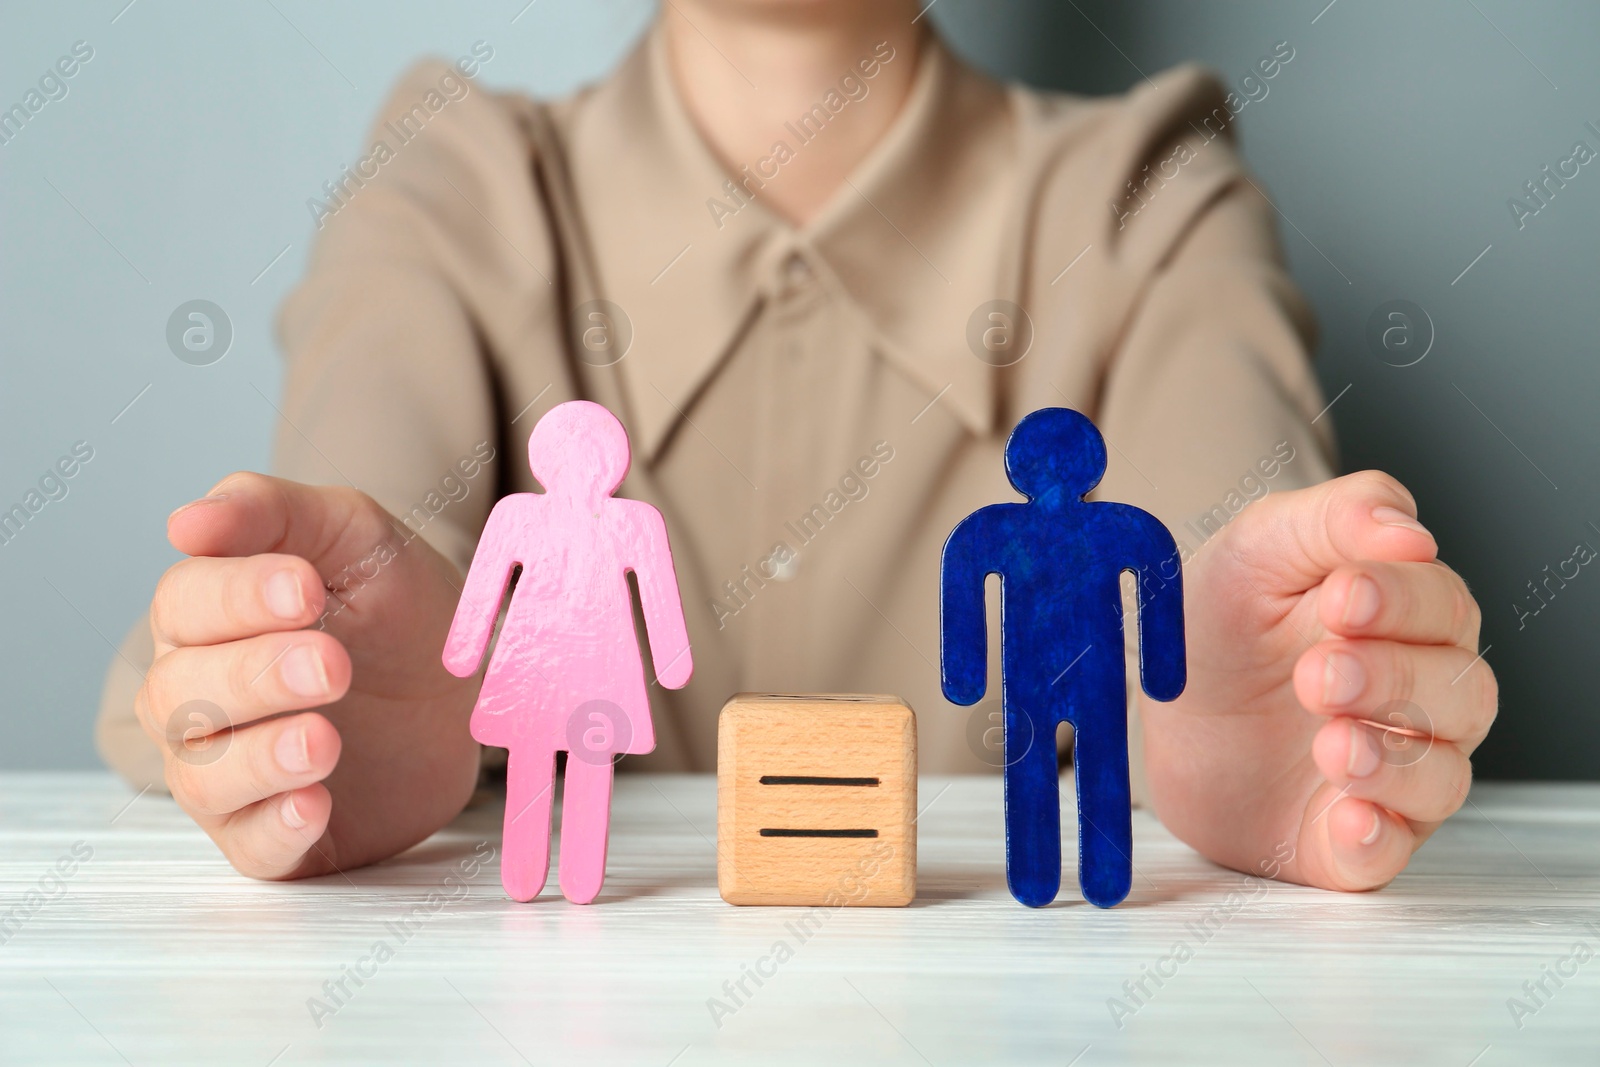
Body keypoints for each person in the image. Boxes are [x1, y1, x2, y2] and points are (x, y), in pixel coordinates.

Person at [96, 0, 1496, 895]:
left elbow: (1223, 566)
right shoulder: (445, 195)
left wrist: (1256, 687)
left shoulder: (1149, 206)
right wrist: (310, 676)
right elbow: (371, 544)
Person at [442, 400, 693, 903]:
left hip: (589, 662)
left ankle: (575, 878)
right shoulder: (517, 514)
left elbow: (658, 594)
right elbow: (482, 590)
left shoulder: (635, 522)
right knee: (544, 757)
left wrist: (672, 661)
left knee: (582, 757)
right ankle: (529, 873)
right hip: (538, 663)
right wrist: (463, 648)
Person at [942, 407, 1186, 908]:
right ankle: (1100, 876)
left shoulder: (994, 528)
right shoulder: (1122, 526)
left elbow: (961, 580)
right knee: (1100, 765)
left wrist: (968, 676)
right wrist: (1162, 670)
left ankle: (1046, 877)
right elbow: (1160, 573)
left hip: (1038, 678)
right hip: (1086, 677)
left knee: (1043, 768)